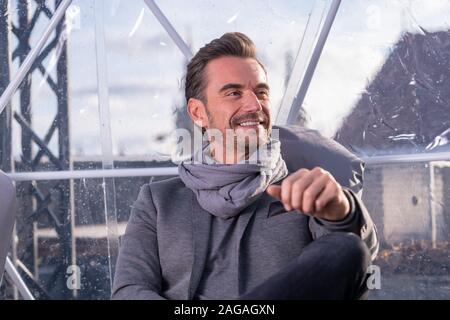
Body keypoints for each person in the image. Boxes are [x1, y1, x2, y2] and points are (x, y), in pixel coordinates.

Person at [112, 32, 378, 300]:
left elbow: (351, 268)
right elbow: (129, 290)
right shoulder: (158, 202)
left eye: (261, 92)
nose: (254, 105)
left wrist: (341, 211)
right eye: (234, 93)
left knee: (347, 249)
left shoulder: (305, 191)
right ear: (197, 113)